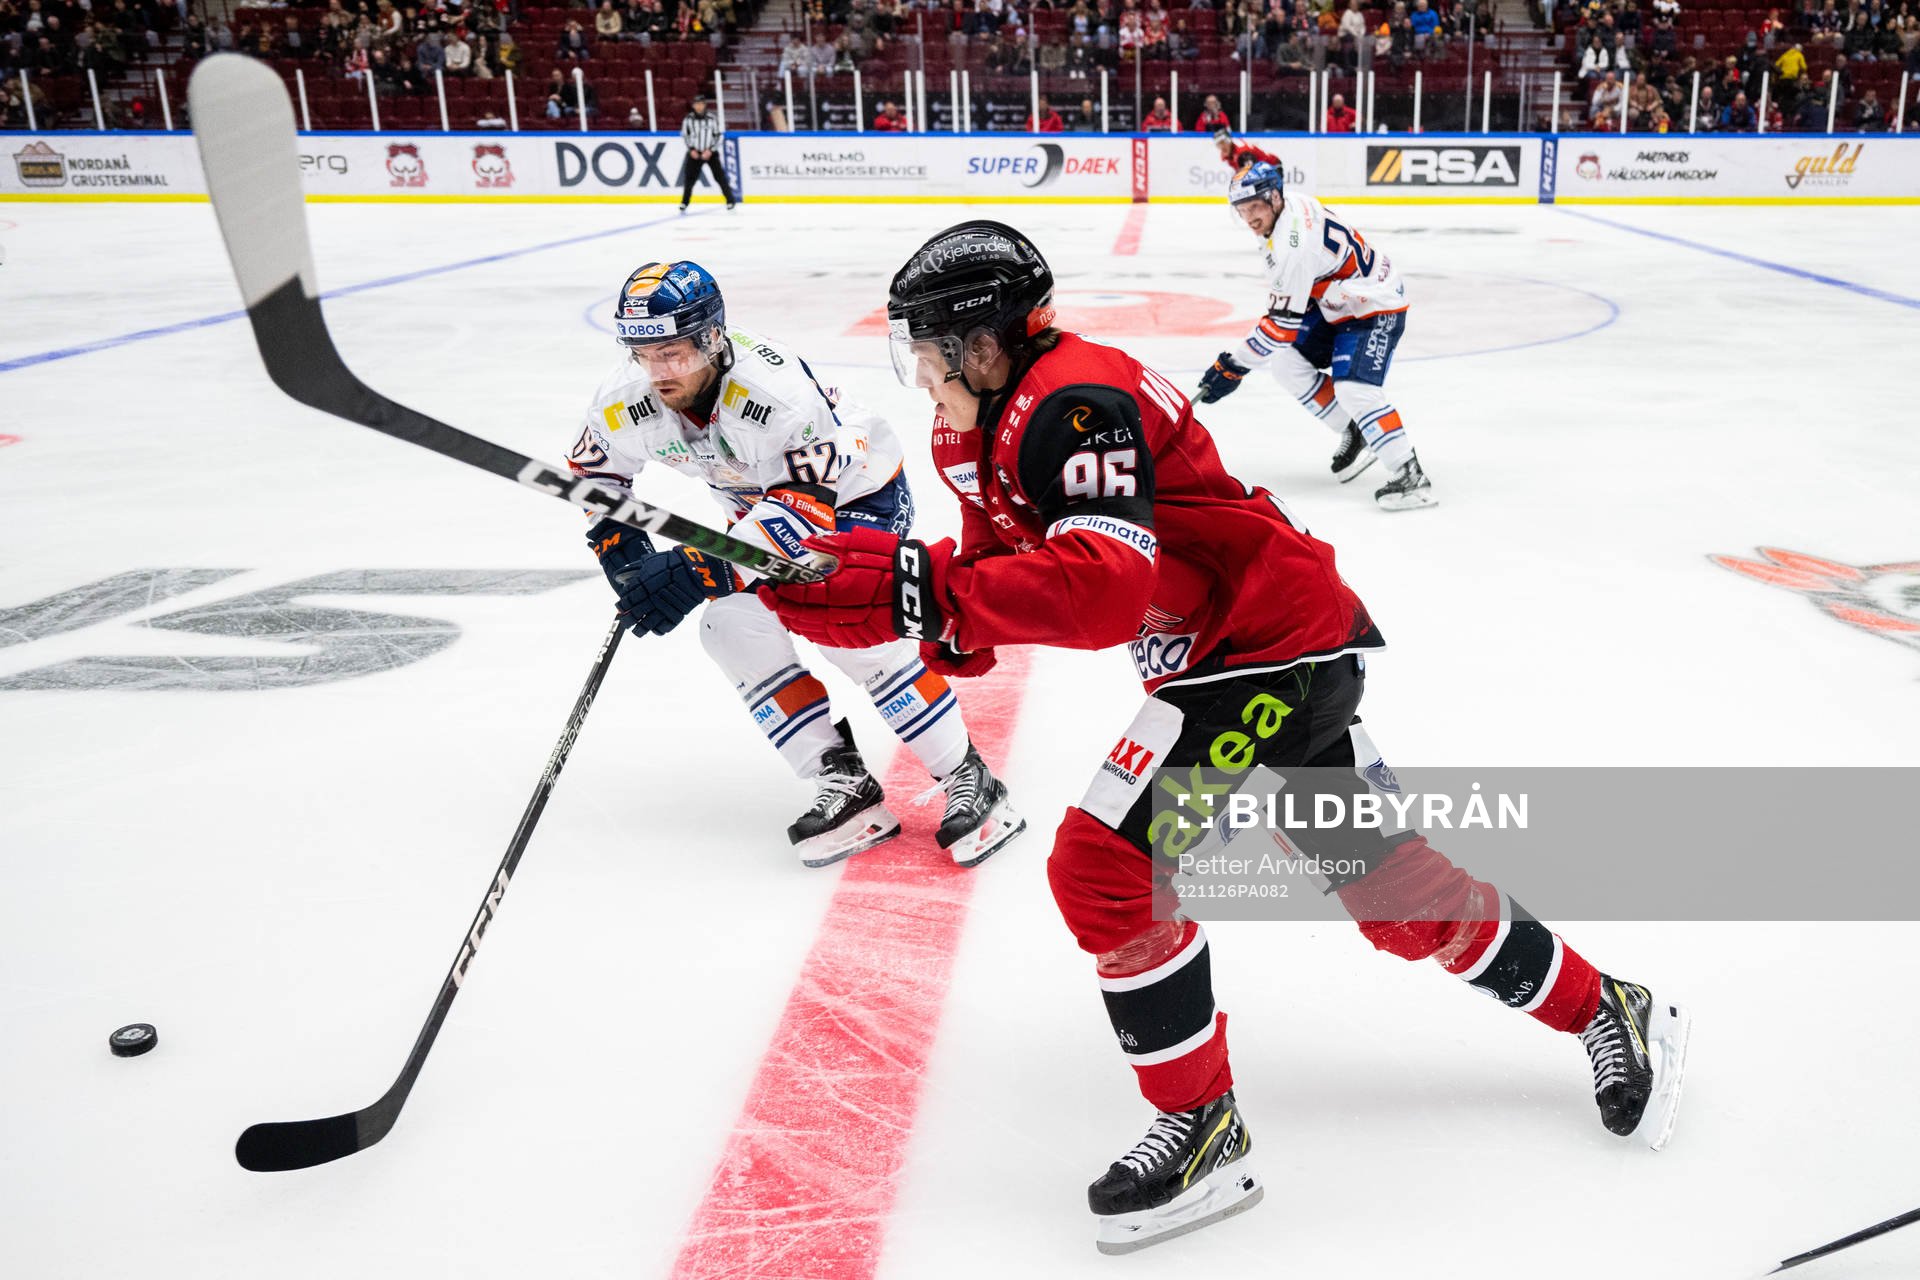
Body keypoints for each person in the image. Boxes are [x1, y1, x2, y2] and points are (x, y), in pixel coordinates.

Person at [759, 220, 1691, 1254]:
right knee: (1392, 893)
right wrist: (901, 604)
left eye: (931, 351)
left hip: (1268, 645)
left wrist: (907, 583)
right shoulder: (962, 436)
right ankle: (1611, 1004)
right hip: (1237, 651)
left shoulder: (1074, 402)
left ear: (983, 344)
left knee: (1103, 863)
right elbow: (984, 595)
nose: (921, 375)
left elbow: (1103, 591)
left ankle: (1202, 1126)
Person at [568, 262, 1025, 867]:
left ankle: (968, 776)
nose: (657, 372)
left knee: (847, 626)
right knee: (730, 627)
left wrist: (698, 567)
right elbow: (597, 476)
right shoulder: (625, 399)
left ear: (710, 339)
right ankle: (842, 778)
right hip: (760, 510)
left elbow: (805, 511)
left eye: (673, 353)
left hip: (856, 499)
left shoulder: (773, 394)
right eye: (643, 353)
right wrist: (623, 555)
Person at [1196, 162, 1434, 509]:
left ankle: (1410, 474)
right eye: (1242, 211)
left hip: (1375, 305)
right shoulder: (1287, 211)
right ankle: (1353, 429)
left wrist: (1232, 367)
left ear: (1274, 197)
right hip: (1338, 301)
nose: (1249, 218)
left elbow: (1280, 327)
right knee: (1284, 363)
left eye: (1255, 207)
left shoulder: (1293, 244)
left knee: (1355, 389)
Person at [678, 95, 738, 213]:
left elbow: (719, 135)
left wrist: (711, 150)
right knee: (689, 179)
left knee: (720, 177)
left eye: (701, 104)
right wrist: (691, 149)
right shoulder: (688, 120)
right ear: (693, 105)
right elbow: (685, 135)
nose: (699, 106)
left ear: (705, 105)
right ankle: (684, 202)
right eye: (696, 104)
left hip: (711, 153)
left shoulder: (712, 119)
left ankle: (730, 201)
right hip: (694, 152)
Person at [1214, 126, 1278, 169]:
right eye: (1219, 144)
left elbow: (1252, 172)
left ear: (1229, 141)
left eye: (1223, 142)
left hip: (1273, 165)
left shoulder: (1242, 150)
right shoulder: (1225, 155)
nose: (1222, 147)